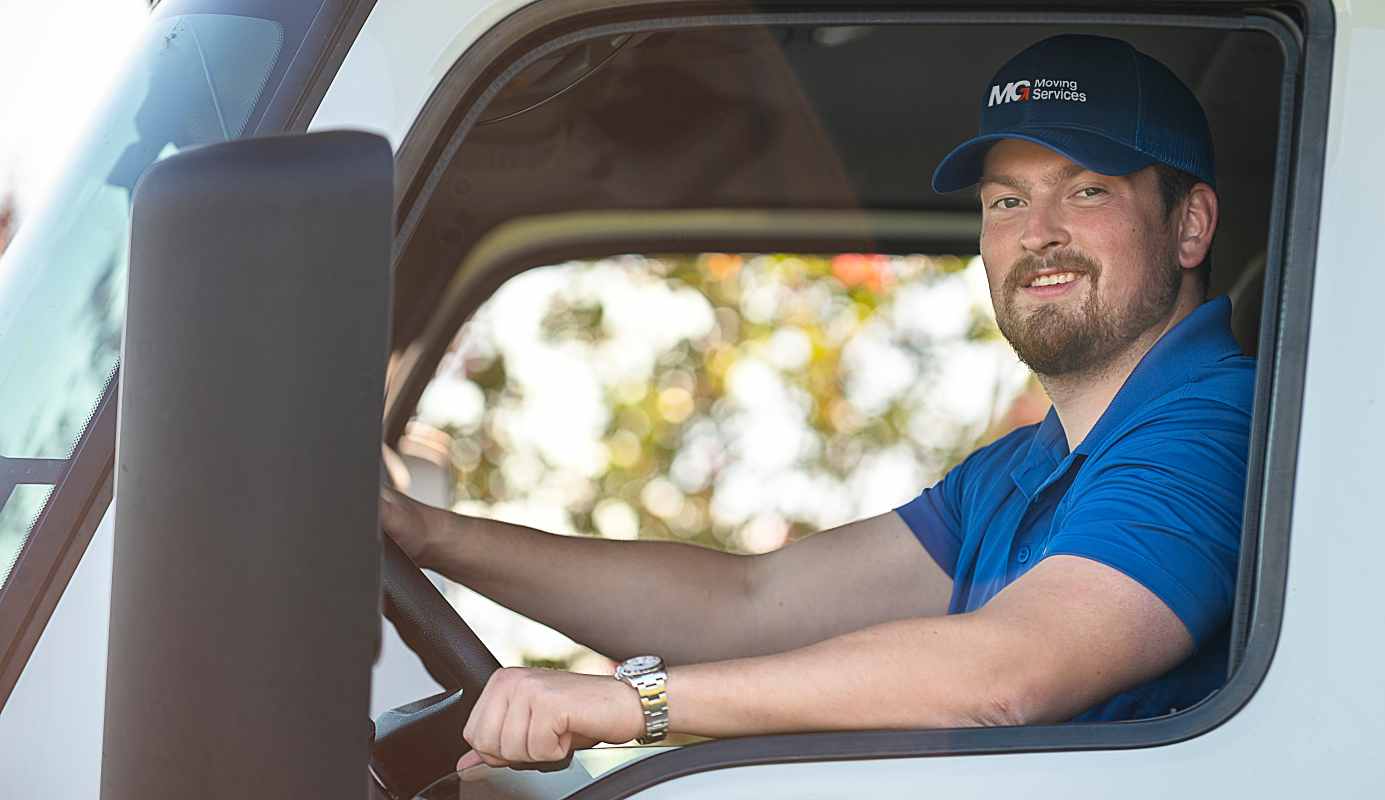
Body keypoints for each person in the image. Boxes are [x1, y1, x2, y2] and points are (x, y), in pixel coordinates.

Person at [381, 33, 1253, 769]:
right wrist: (435, 536)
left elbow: (1007, 674)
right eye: (1006, 200)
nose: (1038, 231)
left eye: (1087, 189)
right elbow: (749, 605)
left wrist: (630, 703)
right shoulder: (1026, 469)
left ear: (1189, 224)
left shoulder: (1216, 427)